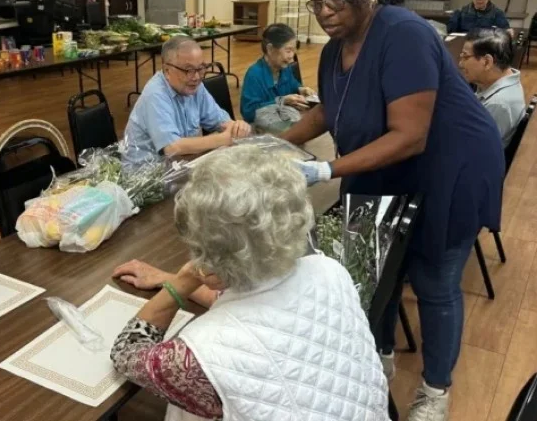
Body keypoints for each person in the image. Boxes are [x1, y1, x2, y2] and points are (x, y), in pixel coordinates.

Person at [283, 0, 504, 420]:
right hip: (385, 167)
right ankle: (376, 359)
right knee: (372, 269)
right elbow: (329, 110)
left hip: (450, 167)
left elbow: (410, 135)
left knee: (433, 281)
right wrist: (278, 146)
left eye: (334, 1)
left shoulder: (404, 34)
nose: (323, 13)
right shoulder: (332, 50)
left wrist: (324, 170)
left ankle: (435, 391)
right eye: (315, 1)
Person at [110, 146, 390, 421]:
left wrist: (183, 281)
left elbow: (127, 355)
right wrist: (170, 278)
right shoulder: (329, 271)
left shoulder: (200, 356)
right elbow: (260, 313)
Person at [122, 36, 251, 167]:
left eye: (201, 68)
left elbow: (220, 121)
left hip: (180, 164)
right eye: (188, 70)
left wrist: (236, 127)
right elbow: (173, 148)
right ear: (167, 70)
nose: (196, 77)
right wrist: (223, 139)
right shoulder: (155, 94)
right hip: (146, 175)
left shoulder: (194, 87)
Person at [240, 23, 316, 134]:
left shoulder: (284, 68)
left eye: (293, 51)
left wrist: (301, 89)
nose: (291, 56)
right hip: (261, 130)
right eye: (288, 50)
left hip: (283, 121)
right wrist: (282, 101)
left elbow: (292, 84)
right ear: (270, 49)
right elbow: (249, 112)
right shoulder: (254, 75)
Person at [459, 28, 527, 145]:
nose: (460, 63)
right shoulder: (494, 83)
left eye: (465, 57)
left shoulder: (498, 104)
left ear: (487, 62)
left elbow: (469, 147)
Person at [447, 0, 512, 35]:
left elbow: (506, 32)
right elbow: (450, 31)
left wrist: (508, 32)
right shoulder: (461, 11)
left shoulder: (497, 13)